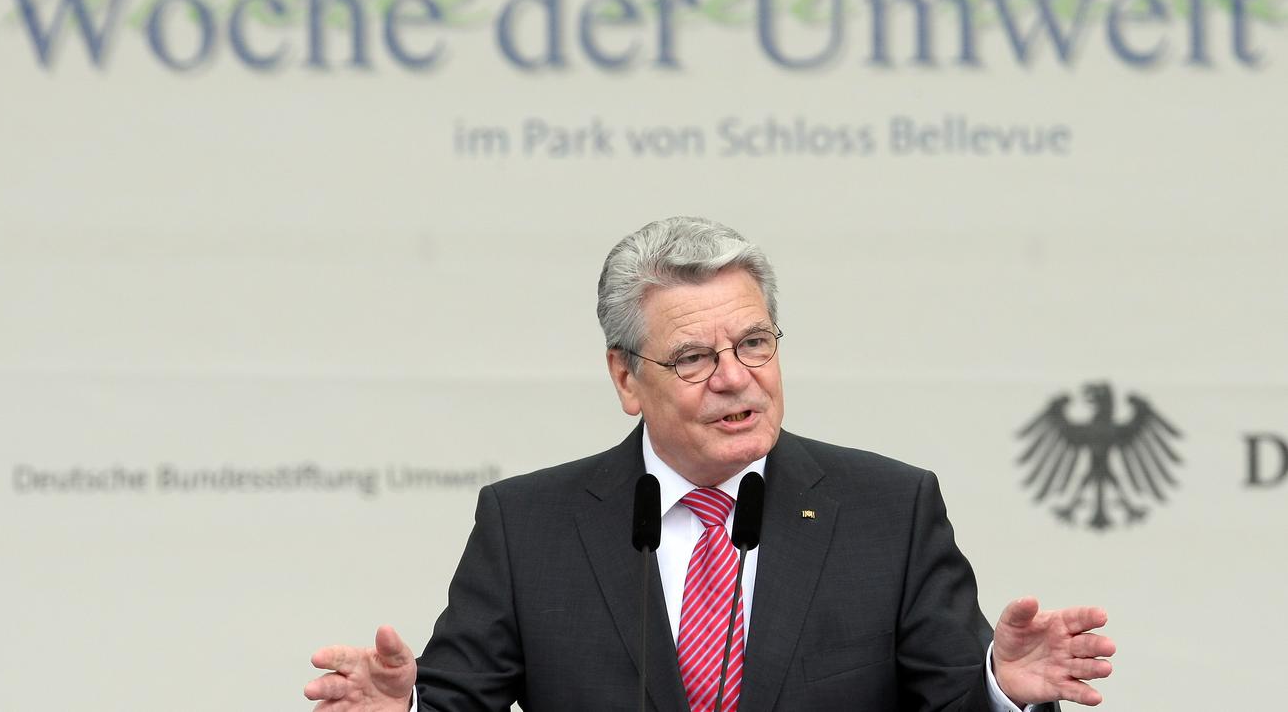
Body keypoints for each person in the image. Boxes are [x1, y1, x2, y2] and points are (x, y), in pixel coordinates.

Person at [304, 216, 1115, 712]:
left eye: (755, 342)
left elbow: (951, 699)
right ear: (627, 378)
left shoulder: (888, 510)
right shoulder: (529, 526)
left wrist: (1002, 688)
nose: (736, 377)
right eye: (694, 356)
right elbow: (458, 702)